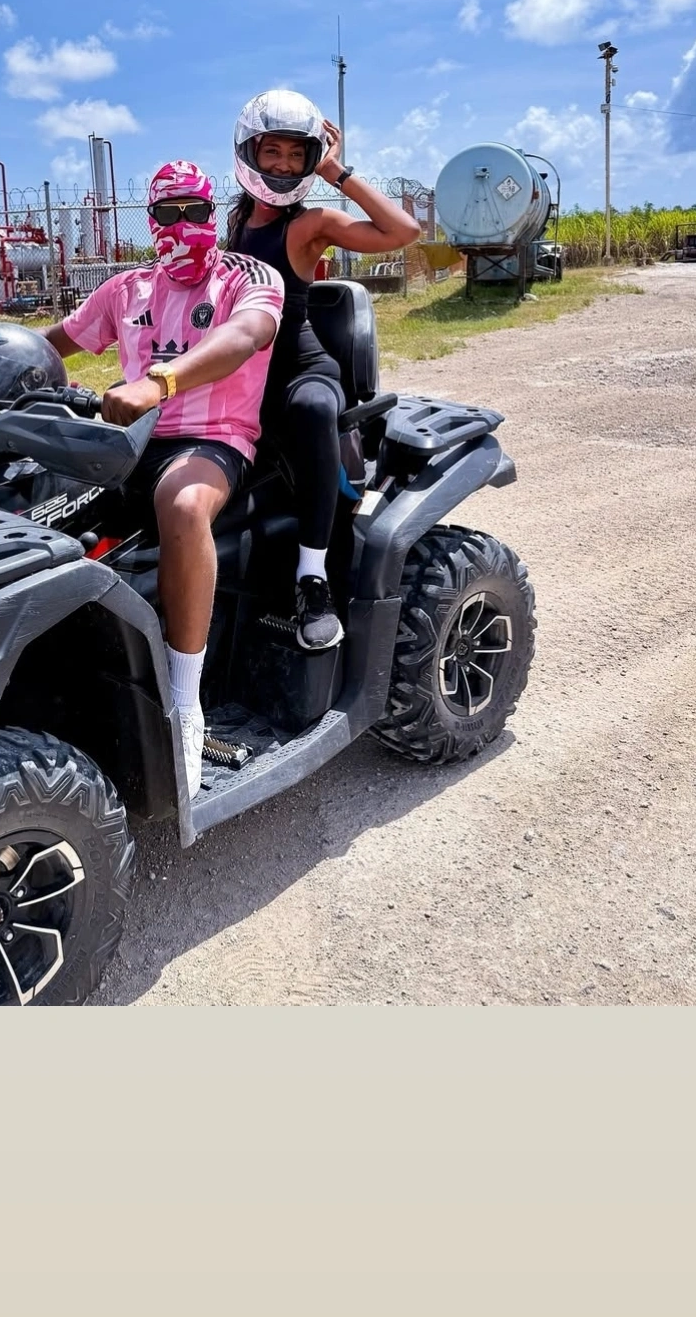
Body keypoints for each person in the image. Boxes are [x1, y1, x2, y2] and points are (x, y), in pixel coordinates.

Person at [42, 160, 284, 798]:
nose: (185, 226)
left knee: (180, 505)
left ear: (213, 212)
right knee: (30, 503)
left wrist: (159, 382)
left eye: (196, 213)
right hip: (127, 442)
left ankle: (185, 698)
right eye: (169, 214)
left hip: (212, 439)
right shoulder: (126, 290)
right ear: (152, 221)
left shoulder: (246, 277)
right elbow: (56, 342)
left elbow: (246, 336)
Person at [227, 89, 421, 651]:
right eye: (273, 153)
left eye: (296, 155)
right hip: (246, 370)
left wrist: (340, 173)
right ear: (250, 152)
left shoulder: (311, 223)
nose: (284, 166)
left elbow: (402, 233)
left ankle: (312, 578)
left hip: (299, 366)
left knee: (314, 409)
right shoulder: (236, 222)